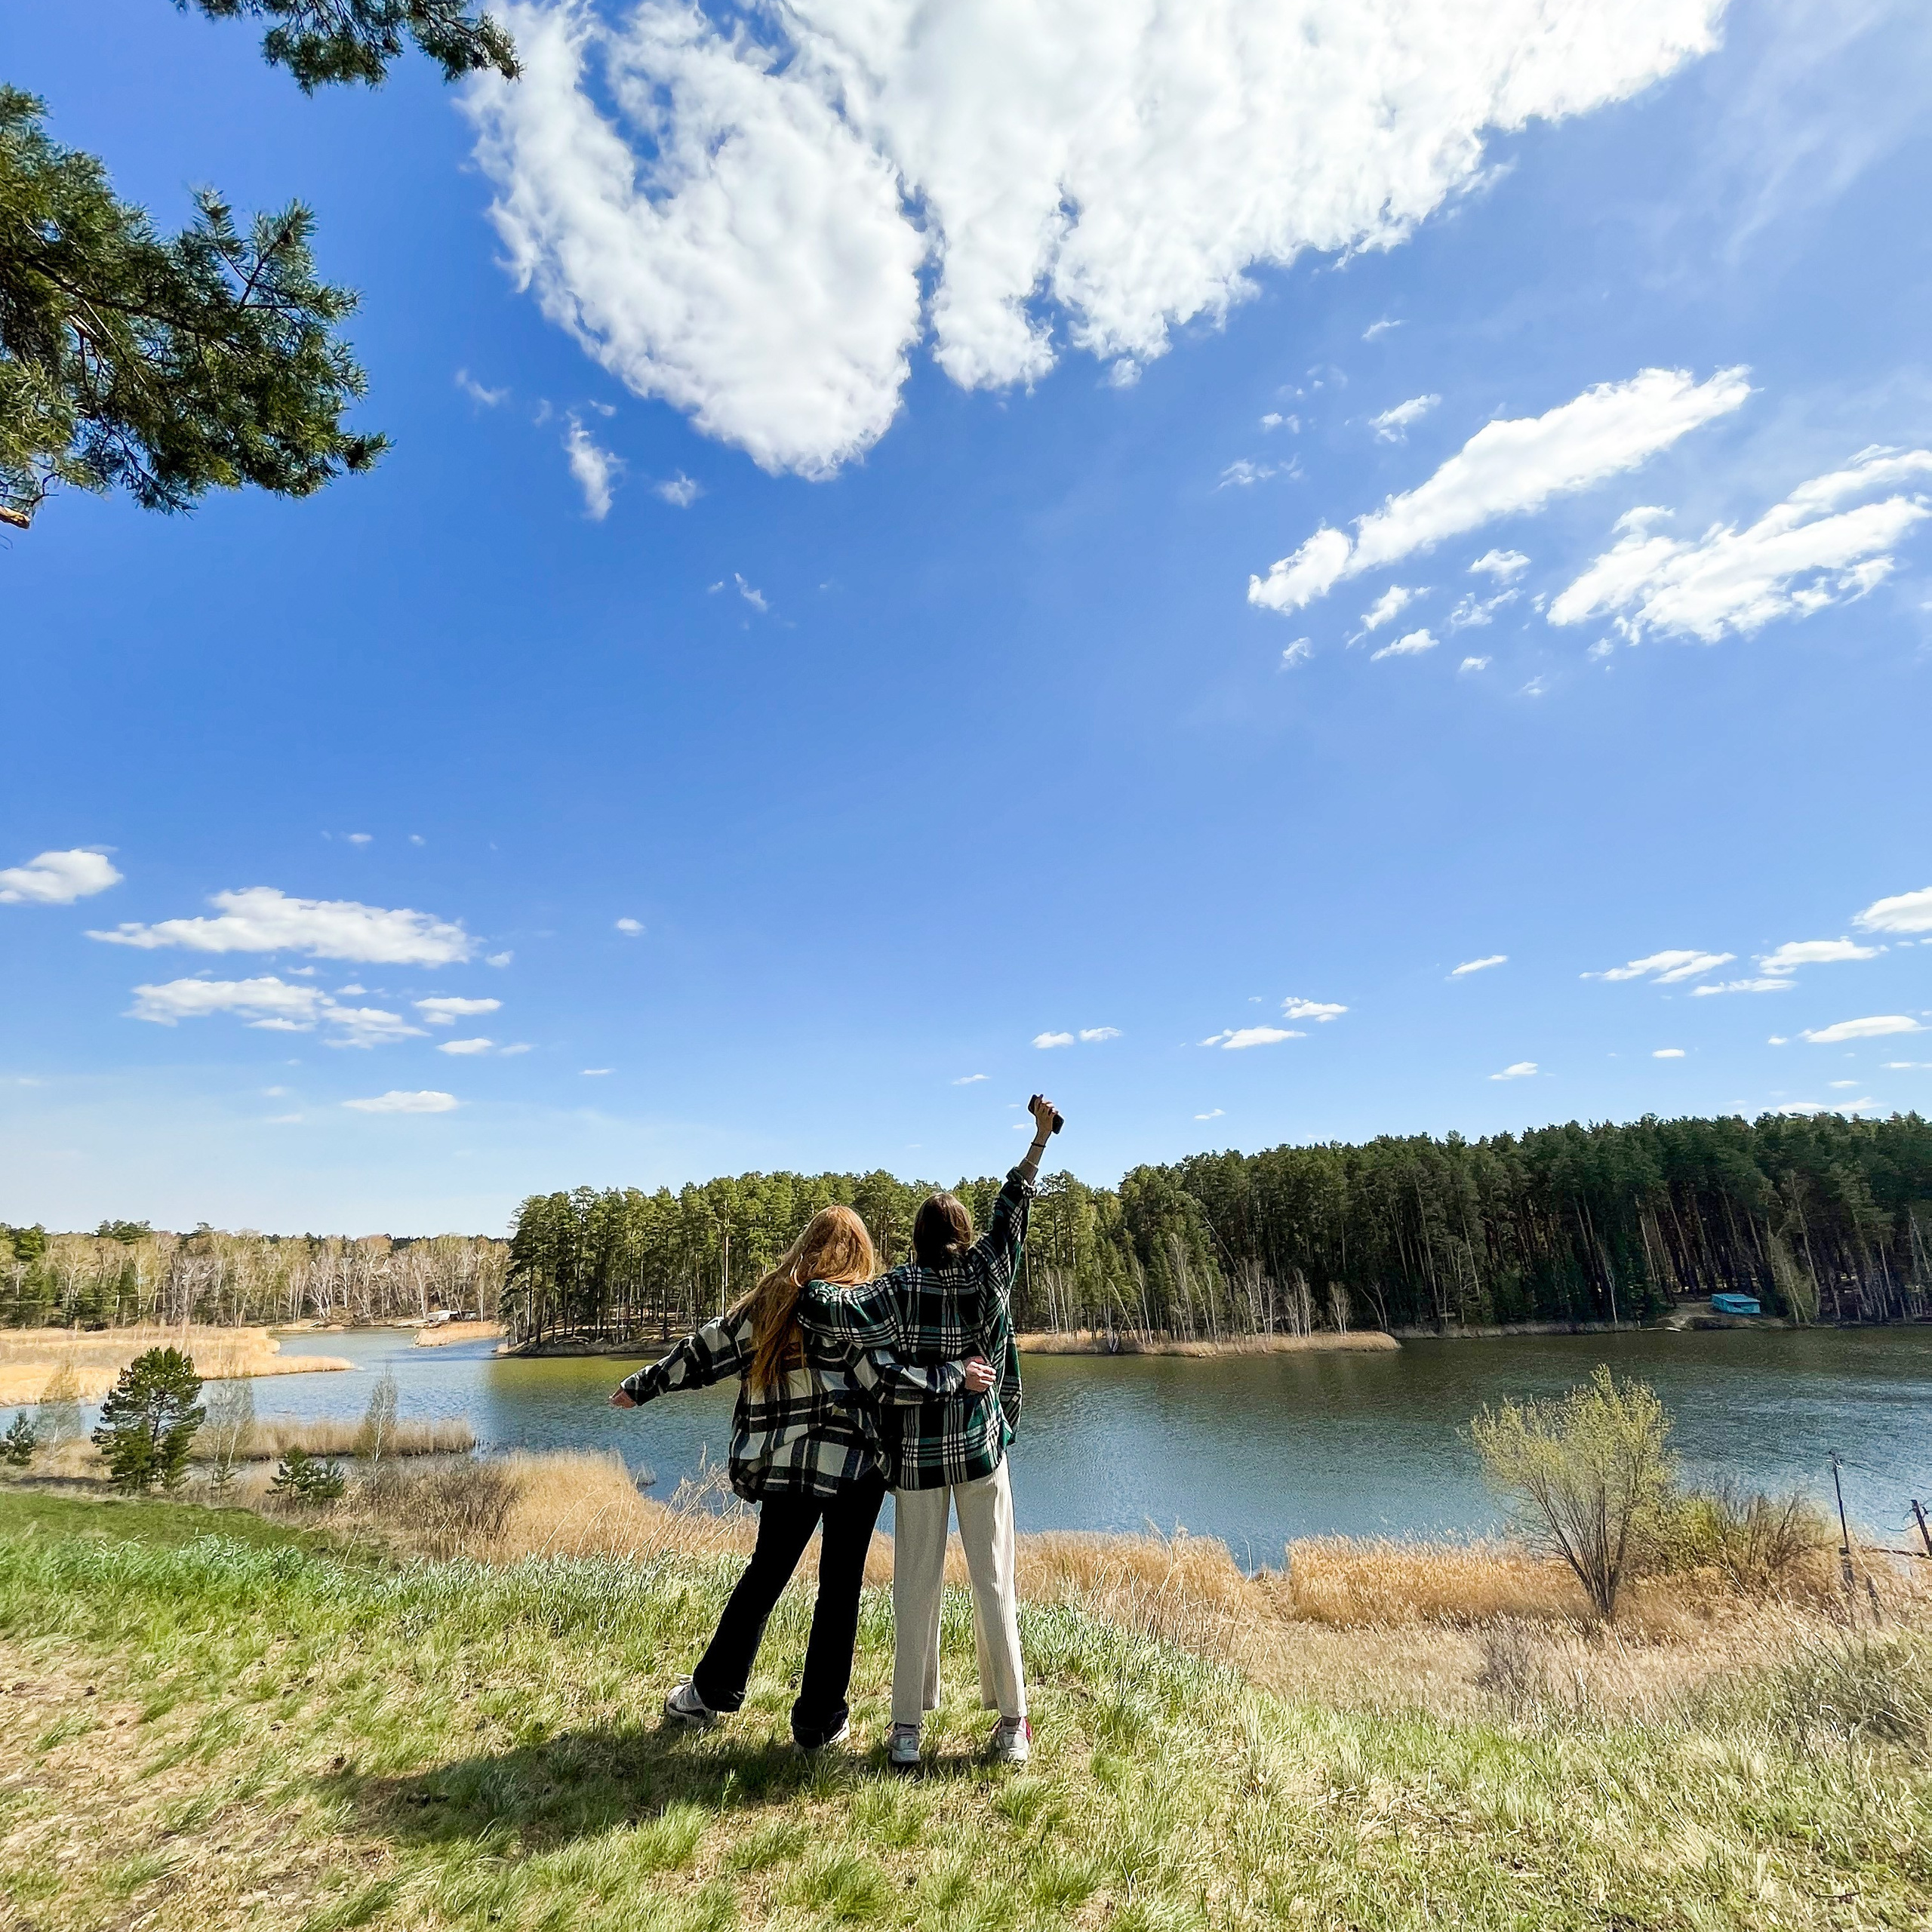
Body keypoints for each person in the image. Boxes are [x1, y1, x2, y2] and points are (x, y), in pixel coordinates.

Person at [608, 1204, 972, 1751]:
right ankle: (817, 1724)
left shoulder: (771, 1304)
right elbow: (891, 1382)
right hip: (856, 1470)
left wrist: (643, 1384)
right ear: (860, 1252)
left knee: (765, 1576)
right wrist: (952, 1377)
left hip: (787, 1466)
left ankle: (709, 1692)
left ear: (808, 1244)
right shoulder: (861, 1309)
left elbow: (707, 1348)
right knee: (840, 1589)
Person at [801, 1092, 1061, 1769]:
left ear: (914, 1239)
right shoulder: (986, 1272)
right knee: (995, 1584)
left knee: (914, 1589)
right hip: (979, 1454)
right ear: (965, 1235)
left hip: (915, 1462)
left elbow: (833, 1307)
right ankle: (1012, 1727)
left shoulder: (898, 1286)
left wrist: (807, 1277)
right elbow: (1015, 1203)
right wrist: (1039, 1139)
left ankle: (907, 1732)